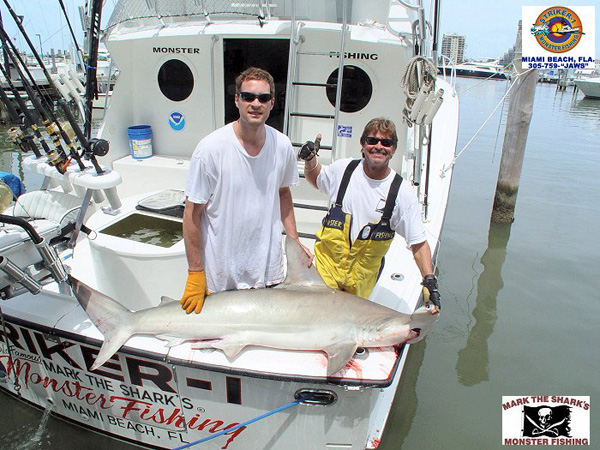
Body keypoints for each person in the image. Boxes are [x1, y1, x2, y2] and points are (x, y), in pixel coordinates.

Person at [181, 67, 311, 314]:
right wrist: (195, 272)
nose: (255, 103)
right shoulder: (210, 149)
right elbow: (192, 214)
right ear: (237, 100)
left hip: (267, 267)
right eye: (248, 96)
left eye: (263, 98)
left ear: (272, 103)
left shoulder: (282, 145)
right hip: (221, 271)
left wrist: (294, 243)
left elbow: (283, 194)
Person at [300, 117, 440, 311]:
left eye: (386, 142)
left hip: (361, 283)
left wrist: (429, 280)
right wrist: (310, 160)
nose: (378, 146)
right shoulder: (344, 170)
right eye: (372, 140)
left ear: (394, 148)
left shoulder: (402, 192)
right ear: (363, 144)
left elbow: (418, 242)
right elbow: (316, 179)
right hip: (325, 271)